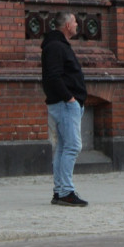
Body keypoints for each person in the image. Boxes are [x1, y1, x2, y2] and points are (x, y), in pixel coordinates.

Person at [41, 11, 89, 207]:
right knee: (72, 146)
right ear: (68, 25)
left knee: (62, 147)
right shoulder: (55, 47)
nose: (77, 25)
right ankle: (66, 191)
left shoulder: (58, 45)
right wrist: (69, 99)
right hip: (65, 105)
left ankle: (60, 191)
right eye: (75, 22)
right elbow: (53, 76)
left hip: (66, 104)